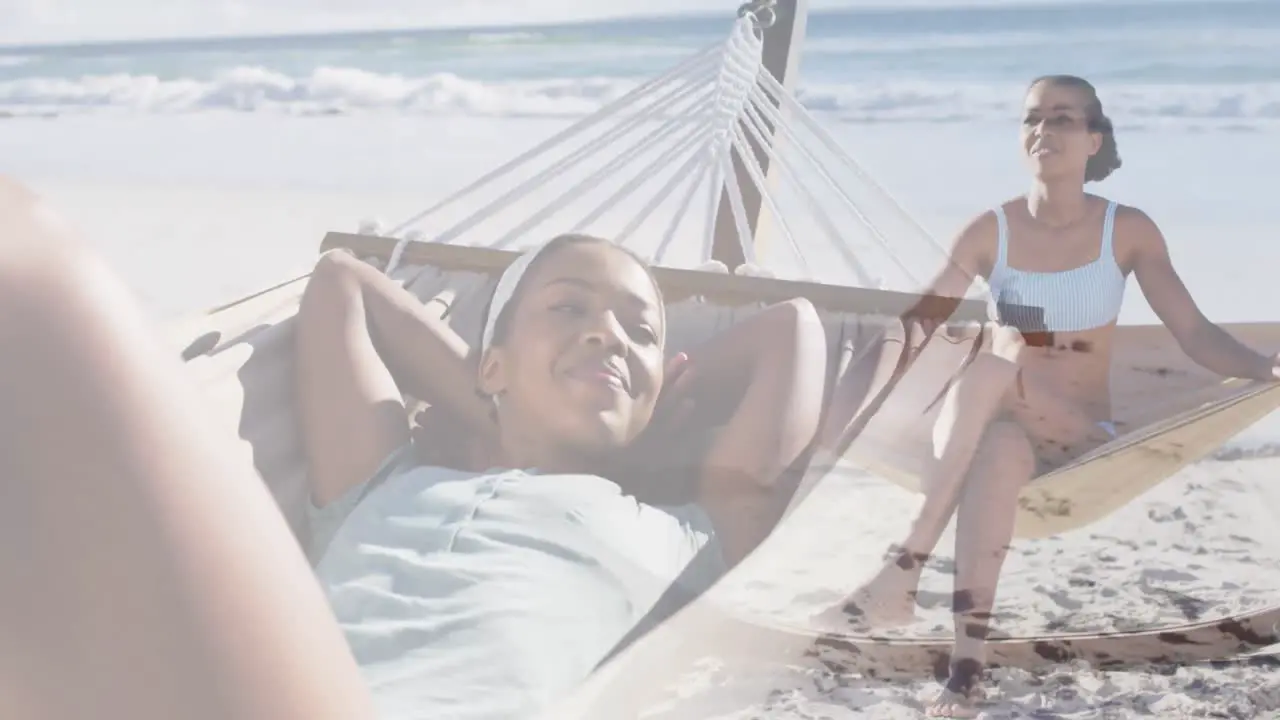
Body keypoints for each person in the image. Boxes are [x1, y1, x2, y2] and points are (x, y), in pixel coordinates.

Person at [0, 177, 832, 720]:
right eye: (570, 309)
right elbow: (341, 284)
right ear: (490, 359)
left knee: (27, 265)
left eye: (640, 329)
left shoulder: (689, 531)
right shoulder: (384, 476)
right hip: (249, 691)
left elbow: (792, 328)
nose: (608, 334)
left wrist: (646, 401)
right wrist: (503, 399)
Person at [822, 74, 1280, 717]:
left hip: (1074, 431)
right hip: (995, 422)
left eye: (1063, 119)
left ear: (1095, 140)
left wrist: (1264, 369)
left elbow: (1195, 333)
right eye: (1032, 119)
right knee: (994, 444)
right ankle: (965, 669)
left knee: (987, 370)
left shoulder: (1128, 232)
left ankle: (904, 566)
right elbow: (918, 325)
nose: (1043, 130)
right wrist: (835, 391)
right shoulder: (990, 231)